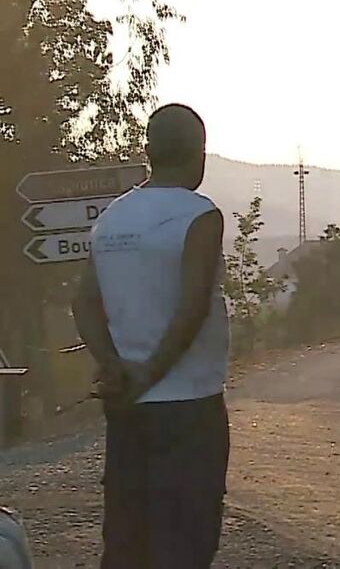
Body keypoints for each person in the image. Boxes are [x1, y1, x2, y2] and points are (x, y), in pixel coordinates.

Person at [72, 104, 229, 569]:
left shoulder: (112, 218)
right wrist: (149, 376)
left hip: (127, 409)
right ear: (199, 155)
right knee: (187, 541)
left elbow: (83, 303)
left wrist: (112, 365)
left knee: (126, 538)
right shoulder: (200, 216)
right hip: (190, 406)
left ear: (149, 152)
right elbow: (192, 308)